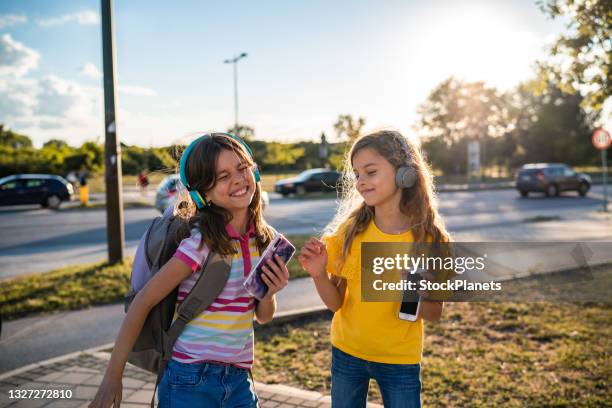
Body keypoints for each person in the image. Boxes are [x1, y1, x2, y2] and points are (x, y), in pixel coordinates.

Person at [89, 133, 289, 408]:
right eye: (222, 176)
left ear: (254, 171)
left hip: (239, 378)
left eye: (242, 168)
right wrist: (113, 377)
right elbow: (143, 302)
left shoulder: (265, 240)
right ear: (201, 193)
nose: (238, 179)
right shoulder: (201, 243)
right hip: (190, 377)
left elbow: (263, 316)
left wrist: (269, 293)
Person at [298, 130, 451, 408]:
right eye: (357, 174)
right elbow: (336, 304)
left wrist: (414, 294)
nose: (361, 182)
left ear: (405, 172)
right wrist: (319, 274)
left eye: (370, 172)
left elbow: (435, 313)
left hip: (398, 360)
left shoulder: (428, 241)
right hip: (347, 353)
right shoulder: (352, 232)